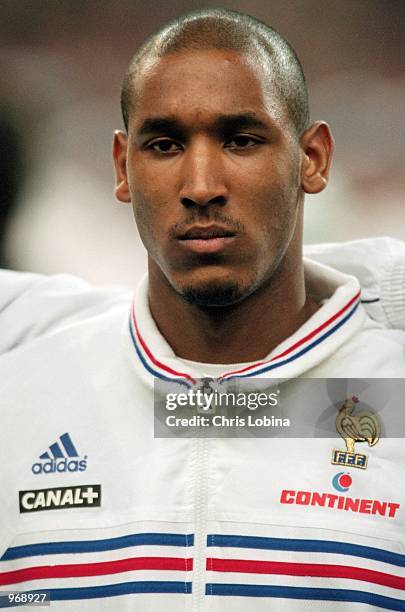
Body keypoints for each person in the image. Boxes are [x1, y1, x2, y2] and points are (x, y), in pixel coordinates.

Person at [0, 8, 404, 611]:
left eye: (241, 139)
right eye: (164, 144)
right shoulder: (23, 386)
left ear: (313, 158)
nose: (200, 184)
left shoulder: (387, 387)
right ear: (122, 168)